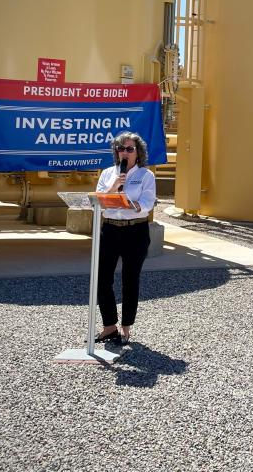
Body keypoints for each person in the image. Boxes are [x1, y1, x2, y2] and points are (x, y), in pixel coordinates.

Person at [94, 131, 158, 345]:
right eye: (120, 149)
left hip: (135, 232)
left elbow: (147, 204)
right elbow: (100, 201)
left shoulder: (146, 176)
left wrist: (130, 203)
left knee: (130, 280)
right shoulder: (107, 173)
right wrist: (114, 186)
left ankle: (126, 327)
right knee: (102, 279)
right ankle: (109, 326)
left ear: (138, 153)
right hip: (110, 230)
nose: (124, 152)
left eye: (129, 149)